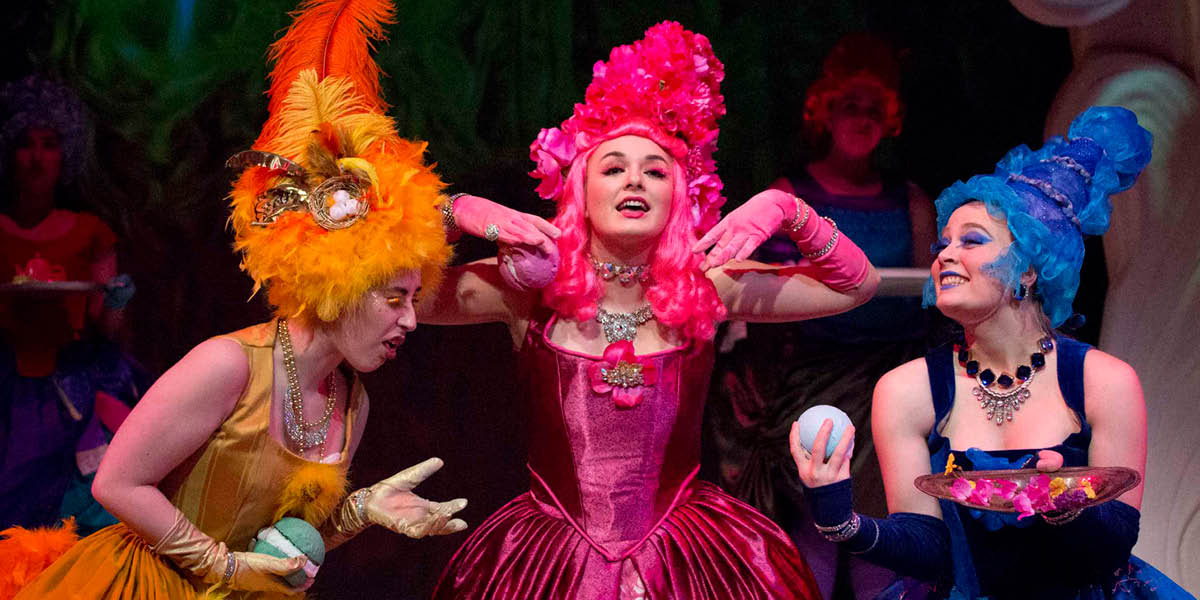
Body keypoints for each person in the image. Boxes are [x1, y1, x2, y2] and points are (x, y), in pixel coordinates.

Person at [5, 1, 466, 598]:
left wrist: (361, 513)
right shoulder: (227, 365)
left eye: (414, 297)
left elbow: (283, 540)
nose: (410, 318)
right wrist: (222, 565)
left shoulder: (353, 402)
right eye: (394, 297)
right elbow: (116, 483)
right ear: (337, 283)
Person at [425, 22, 879, 599]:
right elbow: (389, 299)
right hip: (548, 569)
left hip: (688, 565)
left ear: (680, 197)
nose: (634, 179)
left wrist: (787, 209)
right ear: (579, 192)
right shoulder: (527, 291)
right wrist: (453, 210)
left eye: (656, 170)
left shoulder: (712, 287)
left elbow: (856, 287)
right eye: (612, 167)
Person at [792, 106, 1192, 599]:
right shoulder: (906, 390)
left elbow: (1112, 547)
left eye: (972, 241)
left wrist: (1065, 509)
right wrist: (841, 521)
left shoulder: (1104, 381)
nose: (944, 255)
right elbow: (929, 548)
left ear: (1029, 270)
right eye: (944, 243)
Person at [707, 33, 934, 598]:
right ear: (824, 113)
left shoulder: (911, 200)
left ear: (892, 119)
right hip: (808, 378)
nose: (861, 118)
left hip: (891, 380)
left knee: (884, 522)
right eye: (849, 105)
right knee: (818, 518)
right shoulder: (788, 195)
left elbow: (934, 299)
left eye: (873, 108)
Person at [0, 74, 142, 535]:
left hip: (70, 390)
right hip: (6, 384)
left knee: (66, 511)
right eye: (26, 144)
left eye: (49, 144)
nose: (37, 158)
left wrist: (117, 299)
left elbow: (109, 329)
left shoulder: (90, 231)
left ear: (67, 153)